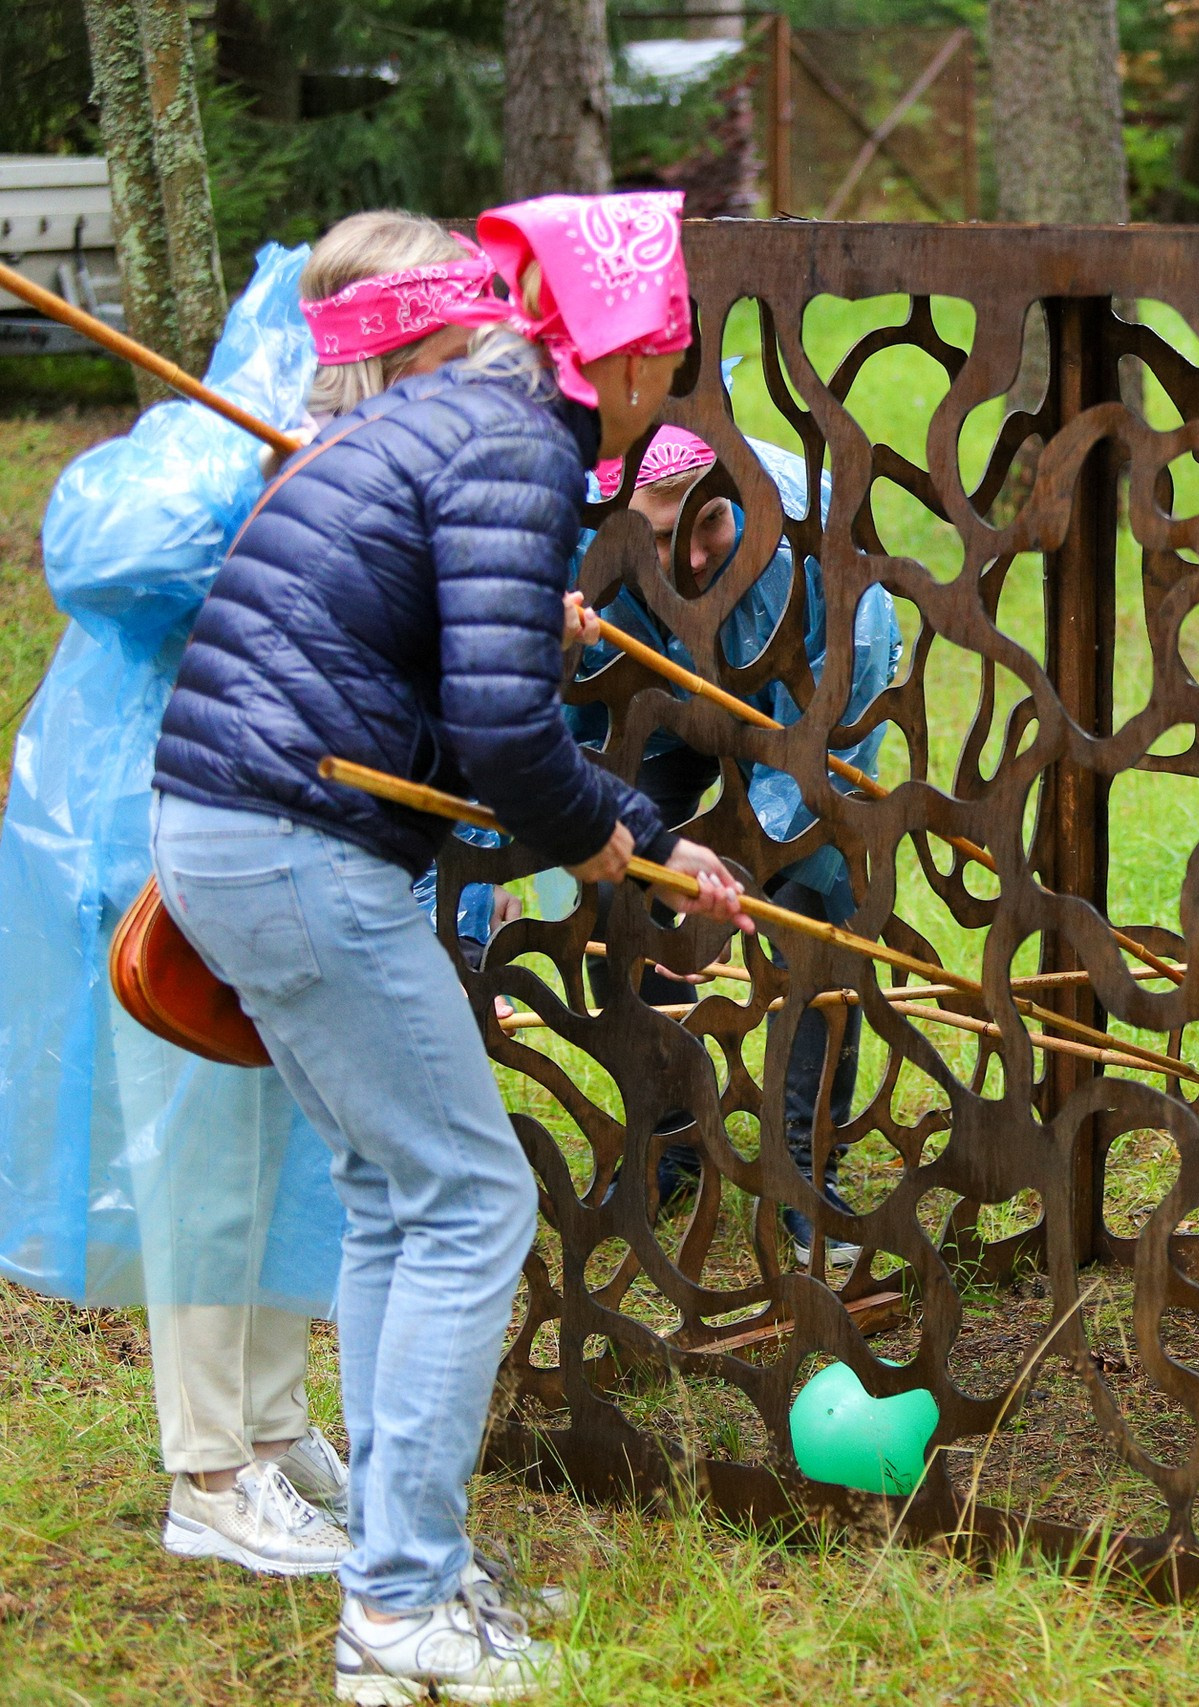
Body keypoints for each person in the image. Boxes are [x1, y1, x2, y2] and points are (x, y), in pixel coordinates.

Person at [150, 190, 751, 1704]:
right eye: (663, 357)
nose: (659, 387)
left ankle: (405, 1565)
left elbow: (456, 674)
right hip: (292, 839)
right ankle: (402, 1612)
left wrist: (652, 836)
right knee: (473, 1200)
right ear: (628, 348)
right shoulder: (517, 439)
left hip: (235, 824)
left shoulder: (455, 411)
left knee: (393, 1197)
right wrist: (599, 832)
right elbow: (497, 729)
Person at [0, 211, 531, 1585]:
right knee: (207, 1164)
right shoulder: (216, 434)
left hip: (300, 811)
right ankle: (208, 1467)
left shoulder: (382, 437)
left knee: (301, 1152)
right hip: (159, 821)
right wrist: (258, 477)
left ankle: (279, 1426)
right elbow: (109, 554)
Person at [573, 421, 903, 1265]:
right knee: (624, 892)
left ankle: (803, 1160)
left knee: (811, 918)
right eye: (652, 538)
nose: (684, 561)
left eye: (707, 525)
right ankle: (672, 1133)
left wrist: (734, 882)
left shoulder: (824, 553)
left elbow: (820, 753)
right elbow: (569, 720)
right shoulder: (587, 526)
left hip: (801, 721)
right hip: (660, 698)